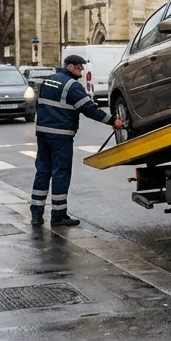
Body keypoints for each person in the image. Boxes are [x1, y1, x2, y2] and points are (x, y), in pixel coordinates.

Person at [31, 55, 122, 227]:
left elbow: (40, 105)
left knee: (43, 171)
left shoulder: (48, 81)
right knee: (60, 172)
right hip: (61, 135)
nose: (81, 70)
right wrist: (113, 121)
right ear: (69, 66)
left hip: (43, 133)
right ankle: (58, 215)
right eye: (79, 67)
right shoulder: (72, 86)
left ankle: (36, 214)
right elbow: (90, 109)